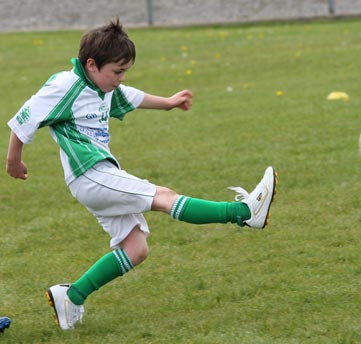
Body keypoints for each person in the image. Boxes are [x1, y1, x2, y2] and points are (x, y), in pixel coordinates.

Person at [6, 18, 277, 331]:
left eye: (125, 72)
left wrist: (168, 103)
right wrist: (14, 161)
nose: (121, 79)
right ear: (91, 65)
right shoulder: (65, 86)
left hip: (99, 176)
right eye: (117, 72)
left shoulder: (103, 85)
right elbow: (24, 117)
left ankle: (73, 296)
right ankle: (244, 213)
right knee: (164, 197)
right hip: (90, 174)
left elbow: (130, 97)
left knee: (136, 249)